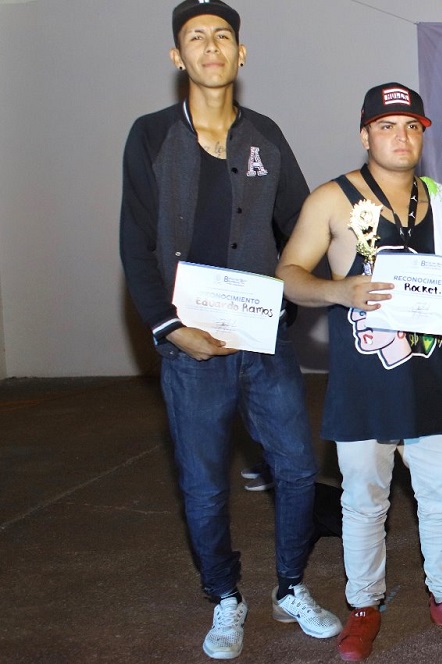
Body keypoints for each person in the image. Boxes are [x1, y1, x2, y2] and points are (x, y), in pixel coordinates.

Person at [119, 1, 340, 659]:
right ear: (177, 57)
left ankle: (290, 586)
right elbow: (135, 243)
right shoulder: (151, 135)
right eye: (196, 37)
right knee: (203, 483)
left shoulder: (265, 135)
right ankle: (225, 595)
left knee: (297, 468)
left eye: (222, 36)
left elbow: (302, 225)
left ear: (241, 55)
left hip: (262, 339)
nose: (211, 46)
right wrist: (169, 328)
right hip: (190, 345)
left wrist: (288, 303)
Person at [274, 82, 442, 662]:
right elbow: (287, 275)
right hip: (364, 383)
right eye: (387, 126)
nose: (401, 137)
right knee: (363, 501)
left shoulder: (440, 199)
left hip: (433, 379)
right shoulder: (331, 198)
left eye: (412, 127)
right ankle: (363, 605)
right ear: (365, 134)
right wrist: (337, 290)